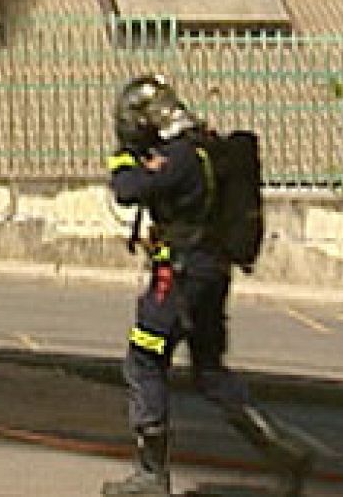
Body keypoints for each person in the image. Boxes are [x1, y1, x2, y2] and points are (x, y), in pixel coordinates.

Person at [102, 74, 314, 497]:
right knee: (211, 372)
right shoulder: (205, 149)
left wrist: (123, 158)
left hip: (179, 275)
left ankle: (151, 474)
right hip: (211, 273)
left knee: (144, 359)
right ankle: (281, 447)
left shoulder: (177, 158)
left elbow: (126, 191)